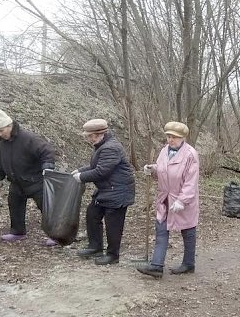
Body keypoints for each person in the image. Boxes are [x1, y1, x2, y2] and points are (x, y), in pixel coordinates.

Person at [136, 121, 200, 278]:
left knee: (188, 230)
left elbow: (191, 182)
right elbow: (163, 169)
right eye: (169, 136)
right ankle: (157, 266)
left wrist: (182, 200)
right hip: (165, 198)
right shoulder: (164, 151)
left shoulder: (191, 154)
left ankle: (188, 264)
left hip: (183, 200)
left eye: (174, 137)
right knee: (161, 229)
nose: (170, 140)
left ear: (182, 138)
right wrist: (152, 169)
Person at [0, 107, 57, 245]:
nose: (0, 134)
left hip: (35, 180)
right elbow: (0, 160)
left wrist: (48, 166)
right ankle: (17, 232)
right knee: (14, 205)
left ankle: (56, 234)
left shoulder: (28, 138)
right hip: (16, 181)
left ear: (9, 126)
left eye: (1, 131)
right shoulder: (1, 143)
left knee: (46, 207)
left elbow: (47, 151)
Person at [73, 119, 136, 265]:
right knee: (92, 214)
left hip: (118, 191)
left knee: (113, 223)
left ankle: (113, 255)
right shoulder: (103, 145)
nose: (89, 139)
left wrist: (81, 177)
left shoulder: (110, 148)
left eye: (91, 136)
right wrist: (80, 170)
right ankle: (95, 246)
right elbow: (96, 165)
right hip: (107, 189)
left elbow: (101, 171)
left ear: (100, 134)